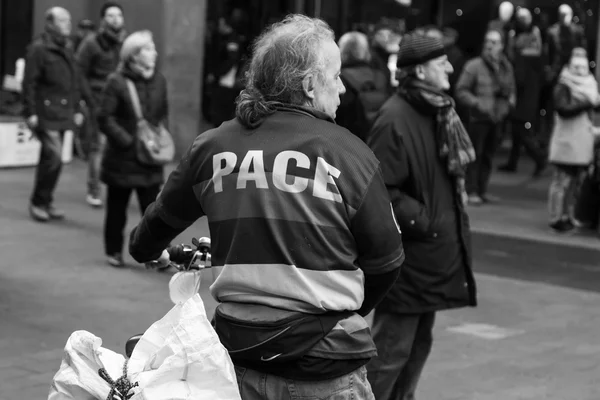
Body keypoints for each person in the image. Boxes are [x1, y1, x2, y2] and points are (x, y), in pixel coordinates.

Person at [129, 14, 404, 400]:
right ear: (309, 85)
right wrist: (345, 311)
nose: (342, 88)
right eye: (337, 76)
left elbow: (147, 235)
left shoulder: (212, 147)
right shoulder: (348, 153)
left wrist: (146, 249)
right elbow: (387, 261)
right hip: (326, 370)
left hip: (239, 362)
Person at [365, 32, 477, 400]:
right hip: (410, 260)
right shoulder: (394, 118)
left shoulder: (440, 110)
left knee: (416, 347)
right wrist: (426, 221)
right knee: (390, 353)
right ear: (418, 71)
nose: (449, 66)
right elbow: (380, 191)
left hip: (430, 257)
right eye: (439, 62)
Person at [98, 30, 167, 267]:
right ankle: (113, 251)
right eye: (148, 49)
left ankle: (154, 254)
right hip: (122, 158)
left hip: (149, 157)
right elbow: (105, 118)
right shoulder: (116, 82)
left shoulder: (159, 80)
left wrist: (158, 141)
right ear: (134, 55)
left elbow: (161, 114)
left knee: (154, 212)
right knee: (117, 209)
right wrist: (127, 141)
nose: (154, 53)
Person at [23, 7, 86, 222]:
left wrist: (77, 108)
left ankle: (45, 202)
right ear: (50, 24)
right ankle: (38, 202)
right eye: (63, 20)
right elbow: (29, 84)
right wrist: (30, 112)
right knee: (55, 157)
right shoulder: (38, 49)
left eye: (69, 20)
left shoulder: (67, 48)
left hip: (63, 111)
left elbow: (74, 82)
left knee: (51, 159)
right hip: (44, 112)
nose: (68, 24)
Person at [455, 29, 516, 205]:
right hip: (478, 118)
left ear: (502, 46)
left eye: (494, 42)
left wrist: (510, 103)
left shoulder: (506, 66)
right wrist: (477, 103)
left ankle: (482, 189)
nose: (490, 45)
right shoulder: (474, 65)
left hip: (497, 117)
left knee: (489, 155)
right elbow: (461, 90)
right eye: (487, 41)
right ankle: (471, 189)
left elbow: (511, 88)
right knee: (475, 155)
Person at [77, 1, 126, 208]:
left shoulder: (125, 42)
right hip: (98, 101)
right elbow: (79, 73)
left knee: (121, 144)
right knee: (98, 146)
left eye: (118, 16)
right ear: (103, 19)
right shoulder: (91, 43)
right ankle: (94, 188)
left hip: (122, 102)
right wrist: (90, 101)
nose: (115, 19)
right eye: (111, 16)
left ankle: (120, 184)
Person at [548, 48, 600, 233]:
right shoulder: (563, 85)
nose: (579, 70)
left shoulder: (589, 85)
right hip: (566, 141)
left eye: (583, 66)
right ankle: (556, 217)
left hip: (580, 141)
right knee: (561, 182)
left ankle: (567, 215)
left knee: (573, 183)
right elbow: (563, 109)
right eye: (576, 66)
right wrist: (588, 103)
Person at [499, 7, 547, 176]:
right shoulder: (535, 58)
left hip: (523, 100)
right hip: (527, 98)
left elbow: (518, 80)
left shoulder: (523, 58)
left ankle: (539, 158)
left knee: (522, 132)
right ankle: (513, 162)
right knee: (518, 132)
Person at [336, 31, 390, 141]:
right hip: (378, 141)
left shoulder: (339, 80)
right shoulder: (382, 76)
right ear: (366, 51)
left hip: (349, 144)